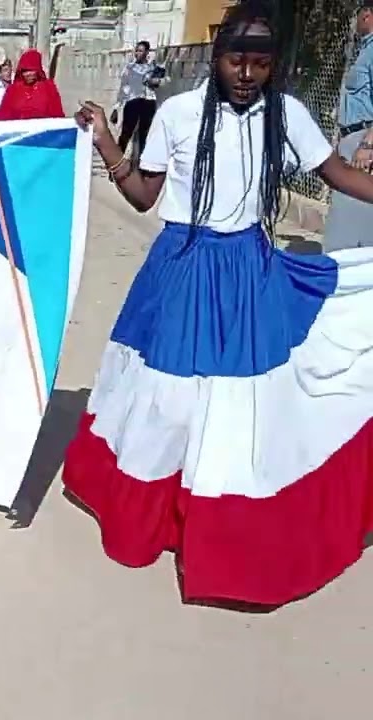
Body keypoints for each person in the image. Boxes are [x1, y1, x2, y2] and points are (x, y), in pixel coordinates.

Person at [68, 1, 373, 607]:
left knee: (241, 403)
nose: (247, 73)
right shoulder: (178, 113)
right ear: (217, 55)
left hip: (251, 271)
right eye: (237, 58)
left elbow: (337, 172)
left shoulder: (286, 113)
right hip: (180, 270)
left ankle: (216, 523)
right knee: (171, 400)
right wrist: (106, 142)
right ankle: (157, 515)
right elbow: (142, 195)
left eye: (260, 63)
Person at [325, 0, 373, 251]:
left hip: (363, 142)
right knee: (357, 220)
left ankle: (338, 278)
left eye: (356, 18)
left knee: (346, 219)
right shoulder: (365, 50)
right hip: (353, 139)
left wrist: (367, 145)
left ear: (367, 15)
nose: (354, 24)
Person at [112, 41, 164, 158]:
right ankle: (118, 161)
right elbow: (123, 88)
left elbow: (161, 84)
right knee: (126, 133)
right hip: (133, 102)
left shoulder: (153, 68)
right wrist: (116, 107)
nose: (137, 53)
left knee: (144, 134)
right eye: (137, 50)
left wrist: (156, 81)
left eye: (141, 51)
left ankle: (141, 163)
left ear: (147, 53)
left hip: (148, 103)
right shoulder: (129, 68)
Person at [0, 48, 63, 121]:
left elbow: (57, 117)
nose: (28, 74)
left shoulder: (49, 88)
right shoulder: (13, 90)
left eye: (31, 70)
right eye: (25, 71)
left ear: (38, 70)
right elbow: (4, 116)